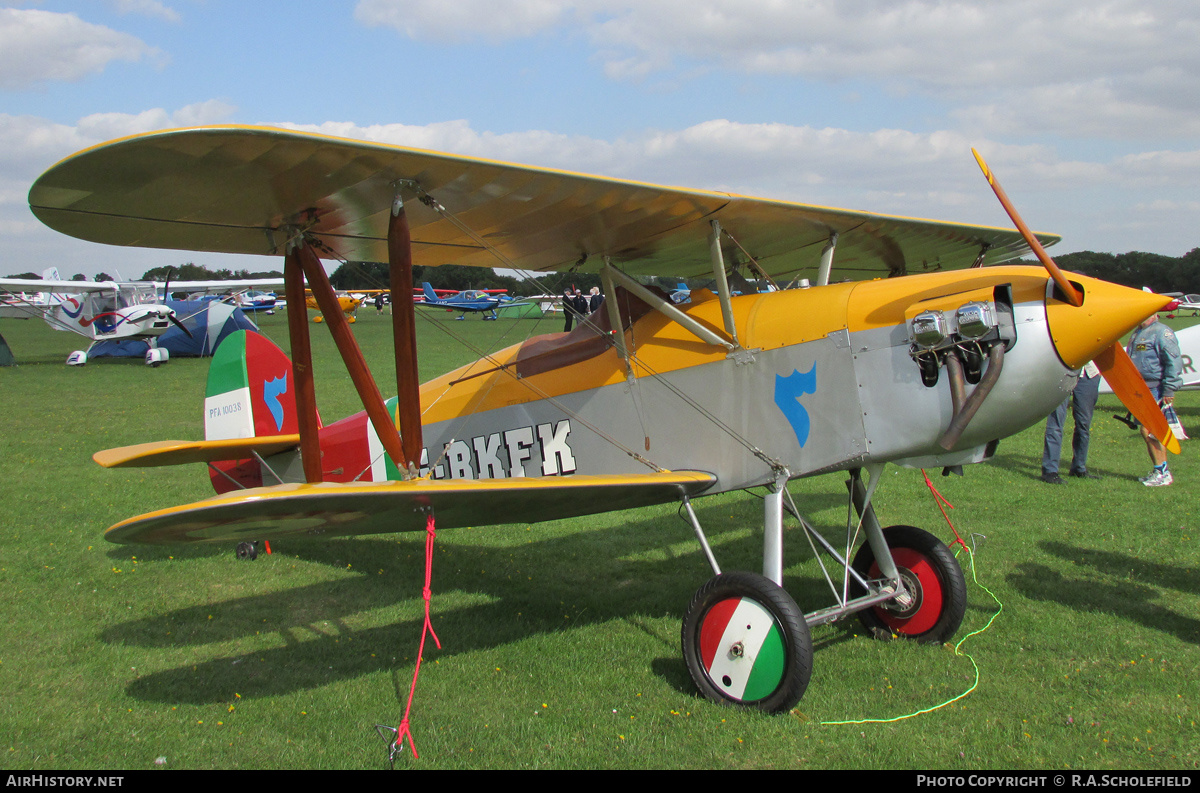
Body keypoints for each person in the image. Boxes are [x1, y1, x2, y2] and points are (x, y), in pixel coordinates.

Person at [1128, 313, 1183, 486]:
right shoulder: (1138, 333)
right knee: (1148, 431)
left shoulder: (1162, 332)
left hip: (1156, 388)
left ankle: (1162, 472)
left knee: (1150, 430)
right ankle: (1159, 469)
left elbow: (1173, 362)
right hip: (1142, 389)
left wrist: (1169, 389)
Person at [1040, 362, 1101, 484]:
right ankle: (1050, 471)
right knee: (1056, 423)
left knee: (1084, 424)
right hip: (1064, 372)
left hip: (1089, 374)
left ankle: (1079, 468)